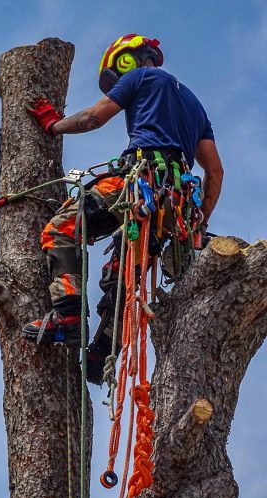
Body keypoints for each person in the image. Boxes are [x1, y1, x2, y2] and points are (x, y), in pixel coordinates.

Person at [22, 33, 224, 385]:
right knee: (124, 272)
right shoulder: (194, 105)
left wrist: (54, 125)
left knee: (62, 228)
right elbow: (215, 171)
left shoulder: (140, 77)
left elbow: (93, 118)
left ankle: (67, 315)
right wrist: (198, 223)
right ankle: (102, 355)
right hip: (173, 207)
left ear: (127, 61)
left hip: (140, 181)